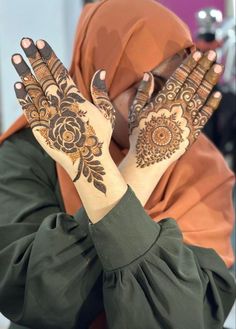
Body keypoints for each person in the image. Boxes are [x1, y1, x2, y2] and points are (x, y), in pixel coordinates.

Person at [0, 0, 235, 328]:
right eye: (141, 82)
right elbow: (35, 295)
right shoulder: (30, 152)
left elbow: (191, 315)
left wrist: (135, 164)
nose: (157, 105)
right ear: (98, 74)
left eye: (172, 87)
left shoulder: (204, 168)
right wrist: (129, 166)